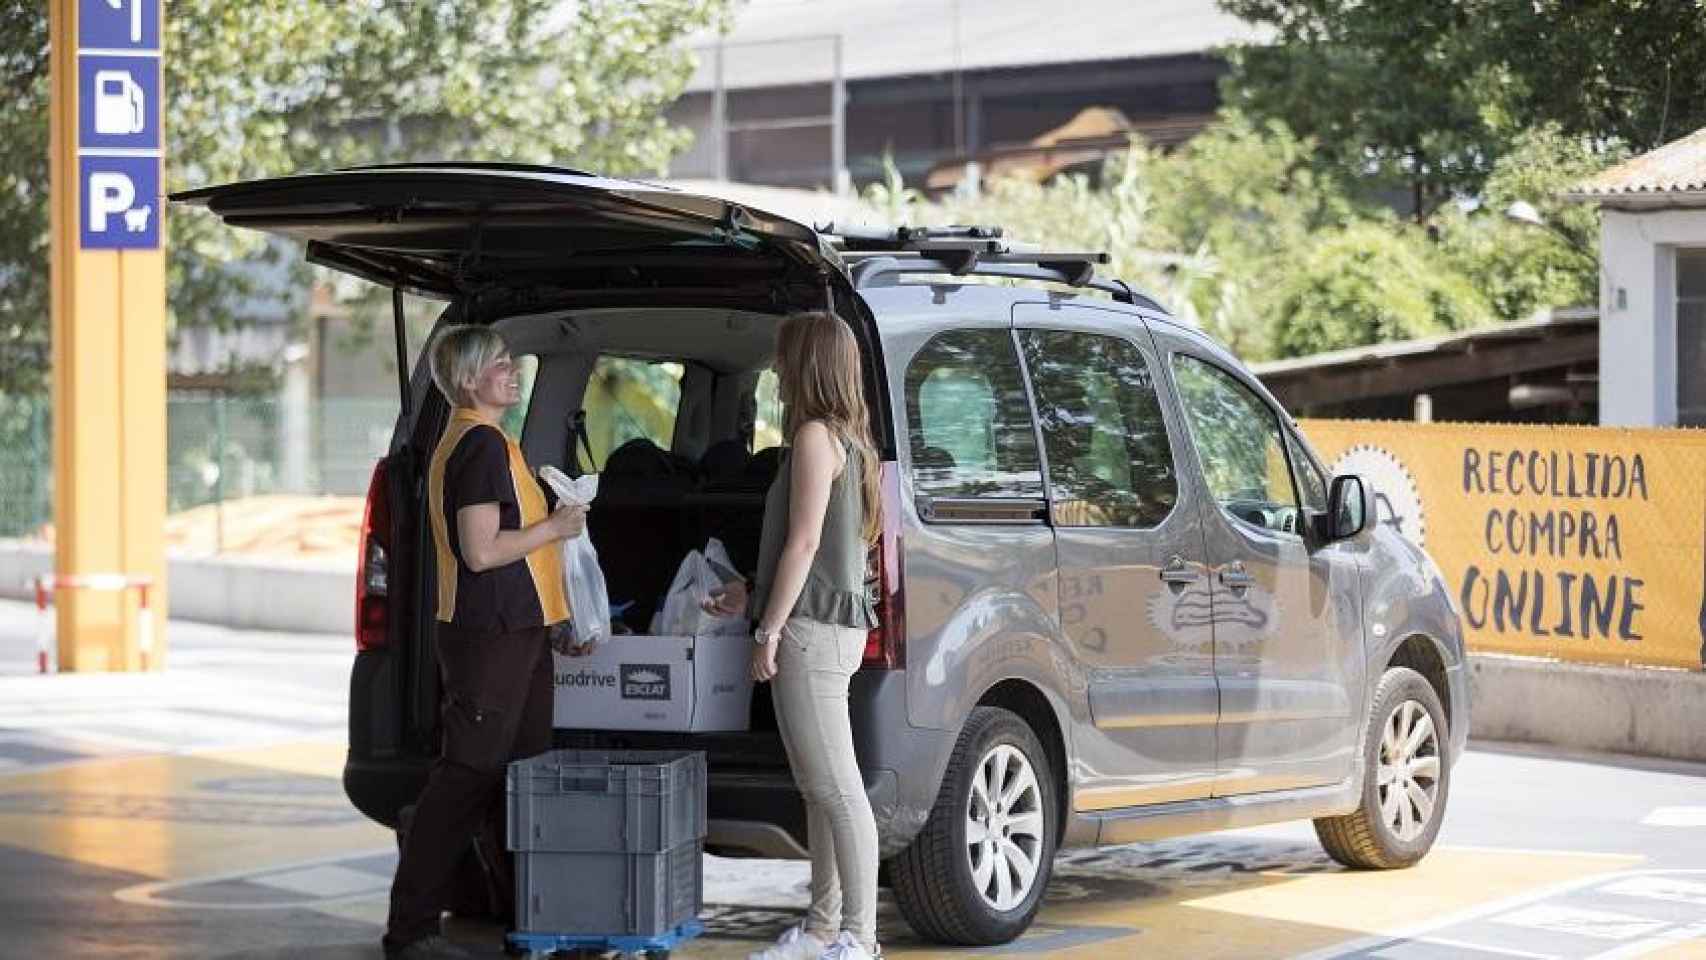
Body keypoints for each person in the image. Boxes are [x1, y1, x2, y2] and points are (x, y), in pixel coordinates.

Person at [384, 325, 588, 960]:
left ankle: (525, 921)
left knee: (518, 781)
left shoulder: (496, 442)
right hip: (487, 637)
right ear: (469, 380)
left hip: (516, 633)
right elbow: (481, 551)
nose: (511, 370)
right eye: (498, 364)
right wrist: (555, 527)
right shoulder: (477, 446)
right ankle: (411, 929)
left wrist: (554, 615)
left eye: (509, 360)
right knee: (466, 778)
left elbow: (513, 557)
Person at [707, 311, 884, 960]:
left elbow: (805, 544)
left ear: (806, 364)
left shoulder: (814, 436)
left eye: (784, 357)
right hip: (832, 627)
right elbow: (820, 544)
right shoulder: (849, 438)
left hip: (811, 631)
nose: (777, 368)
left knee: (838, 789)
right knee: (821, 787)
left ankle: (858, 939)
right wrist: (750, 591)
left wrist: (768, 629)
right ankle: (821, 928)